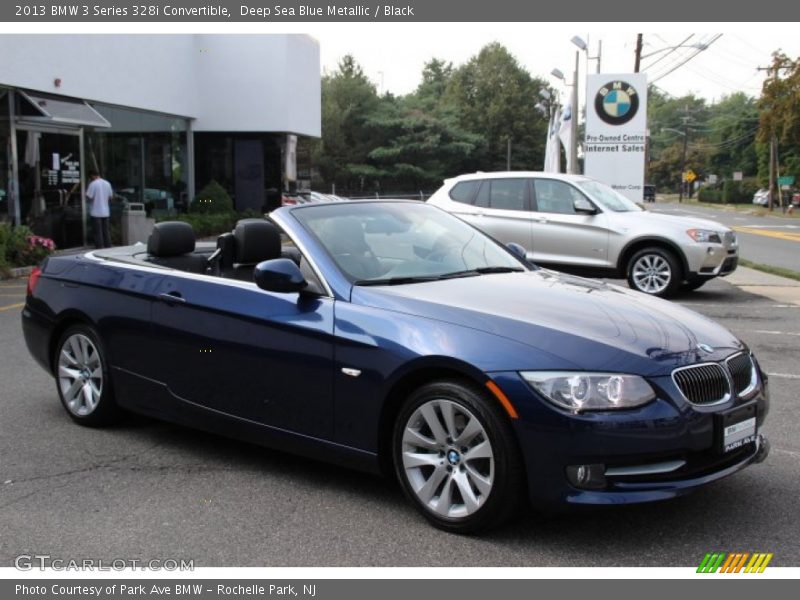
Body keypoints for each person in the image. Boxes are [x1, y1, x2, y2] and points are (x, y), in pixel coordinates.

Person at [86, 170, 113, 248]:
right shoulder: (107, 183)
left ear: (92, 176)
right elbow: (110, 197)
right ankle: (108, 246)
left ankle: (99, 247)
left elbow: (89, 197)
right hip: (106, 212)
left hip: (96, 212)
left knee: (97, 231)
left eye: (90, 177)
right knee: (106, 231)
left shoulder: (93, 184)